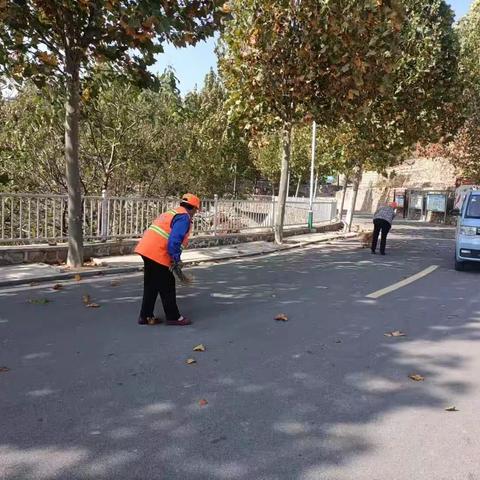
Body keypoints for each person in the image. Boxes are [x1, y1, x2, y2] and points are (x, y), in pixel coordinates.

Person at [134, 193, 201, 326]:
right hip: (157, 253)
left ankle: (145, 316)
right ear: (193, 208)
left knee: (151, 285)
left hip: (146, 249)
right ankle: (173, 317)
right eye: (196, 210)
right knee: (167, 284)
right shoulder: (184, 217)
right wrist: (175, 259)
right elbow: (174, 241)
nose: (195, 213)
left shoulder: (172, 212)